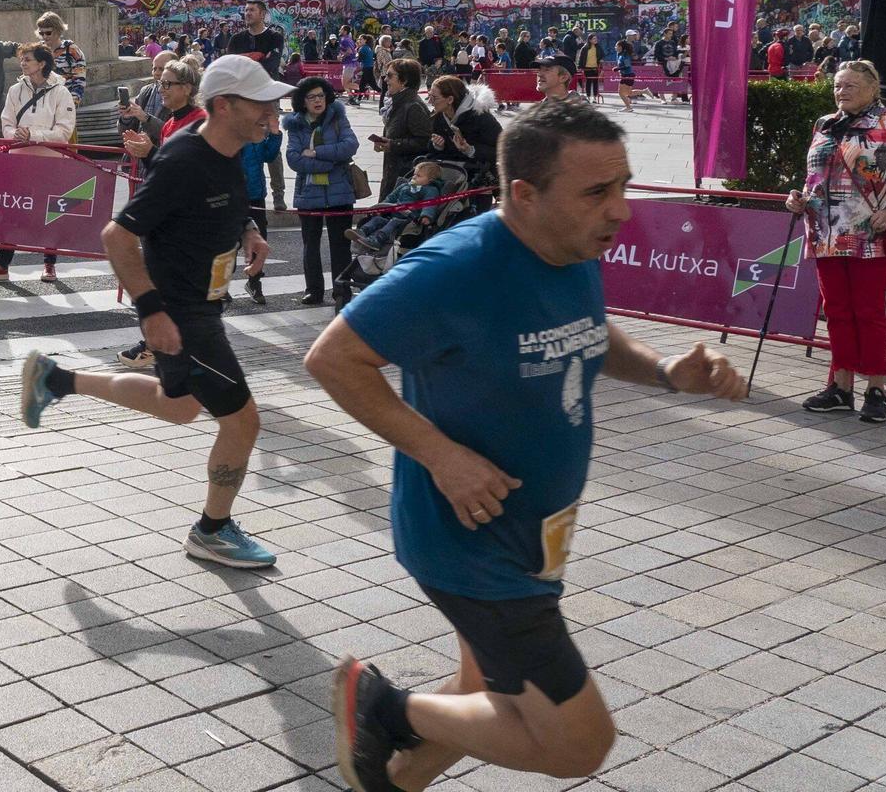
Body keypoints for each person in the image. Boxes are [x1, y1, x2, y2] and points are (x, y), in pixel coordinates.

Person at [305, 99, 748, 792]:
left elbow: (589, 334)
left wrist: (664, 371)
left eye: (624, 185)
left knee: (479, 690)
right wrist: (441, 456)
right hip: (474, 548)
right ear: (524, 194)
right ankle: (381, 706)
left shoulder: (570, 246)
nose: (621, 210)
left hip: (530, 536)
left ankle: (390, 780)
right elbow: (332, 358)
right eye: (598, 192)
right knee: (577, 744)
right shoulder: (456, 268)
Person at [19, 54, 292, 569]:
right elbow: (117, 236)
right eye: (262, 102)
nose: (271, 110)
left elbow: (226, 203)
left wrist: (248, 232)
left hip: (201, 308)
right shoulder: (184, 159)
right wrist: (152, 313)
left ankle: (56, 381)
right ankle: (212, 531)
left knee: (179, 407)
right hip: (182, 316)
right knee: (243, 422)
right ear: (226, 104)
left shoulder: (228, 148)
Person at [786, 60, 886, 424]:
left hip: (869, 234)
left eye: (850, 85)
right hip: (825, 233)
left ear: (873, 87)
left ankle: (877, 390)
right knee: (835, 312)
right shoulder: (825, 124)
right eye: (837, 85)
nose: (841, 91)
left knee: (867, 312)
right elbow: (814, 180)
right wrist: (798, 200)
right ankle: (840, 387)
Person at [0, 43, 76, 284]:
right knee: (13, 211)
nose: (22, 63)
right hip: (19, 160)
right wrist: (16, 136)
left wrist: (34, 135)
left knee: (49, 212)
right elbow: (6, 122)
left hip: (50, 162)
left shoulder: (61, 92)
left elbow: (64, 131)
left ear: (42, 63)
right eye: (21, 59)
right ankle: (1, 264)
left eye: (28, 59)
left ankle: (49, 264)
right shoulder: (15, 90)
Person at [285, 77, 358, 308]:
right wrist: (330, 162)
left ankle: (341, 290)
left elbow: (350, 145)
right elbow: (294, 158)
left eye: (321, 95)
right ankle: (313, 289)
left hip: (340, 193)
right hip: (309, 193)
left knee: (340, 245)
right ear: (302, 101)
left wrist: (317, 153)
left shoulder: (338, 117)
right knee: (310, 244)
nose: (318, 100)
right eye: (312, 97)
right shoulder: (295, 124)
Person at [228, 2, 290, 211]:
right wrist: (257, 60)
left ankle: (278, 193)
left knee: (271, 140)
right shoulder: (237, 39)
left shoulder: (274, 37)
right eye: (245, 10)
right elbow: (231, 66)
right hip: (242, 97)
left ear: (263, 14)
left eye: (252, 10)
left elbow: (271, 66)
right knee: (242, 143)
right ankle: (242, 189)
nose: (247, 13)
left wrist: (247, 63)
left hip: (267, 96)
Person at [348, 160, 446, 253]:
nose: (414, 177)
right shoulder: (404, 186)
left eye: (419, 176)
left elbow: (429, 204)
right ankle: (362, 232)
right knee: (377, 219)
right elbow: (391, 198)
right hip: (394, 215)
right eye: (414, 174)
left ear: (431, 180)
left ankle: (377, 240)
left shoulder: (430, 190)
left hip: (410, 220)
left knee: (394, 222)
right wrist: (381, 207)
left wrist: (426, 216)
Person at [370, 59, 433, 201]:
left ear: (403, 81)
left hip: (407, 177)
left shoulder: (413, 106)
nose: (385, 80)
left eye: (390, 76)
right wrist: (385, 143)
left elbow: (425, 142)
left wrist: (393, 144)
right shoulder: (398, 102)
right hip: (394, 172)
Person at [427, 74, 502, 190]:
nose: (430, 102)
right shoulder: (439, 117)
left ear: (450, 100)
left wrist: (471, 150)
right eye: (429, 96)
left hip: (477, 183)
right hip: (448, 180)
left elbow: (502, 149)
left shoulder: (481, 117)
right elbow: (431, 150)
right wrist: (437, 146)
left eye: (434, 98)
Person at [238, 115, 283, 305]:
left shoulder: (256, 129)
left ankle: (255, 282)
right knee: (228, 242)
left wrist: (275, 134)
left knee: (259, 238)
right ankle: (220, 286)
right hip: (234, 194)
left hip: (256, 194)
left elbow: (269, 155)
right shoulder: (228, 129)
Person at [36, 11, 87, 101]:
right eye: (41, 33)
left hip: (64, 100)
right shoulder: (38, 50)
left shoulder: (72, 50)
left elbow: (80, 80)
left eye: (48, 33)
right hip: (42, 102)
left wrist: (72, 103)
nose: (44, 36)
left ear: (57, 31)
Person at [580, 33, 604, 100]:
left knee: (595, 82)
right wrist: (580, 67)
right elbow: (581, 58)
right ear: (590, 40)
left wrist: (601, 60)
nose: (596, 40)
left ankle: (595, 97)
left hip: (595, 67)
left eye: (596, 38)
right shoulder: (585, 48)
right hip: (587, 68)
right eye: (594, 38)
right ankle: (588, 97)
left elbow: (602, 55)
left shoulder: (598, 47)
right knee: (588, 82)